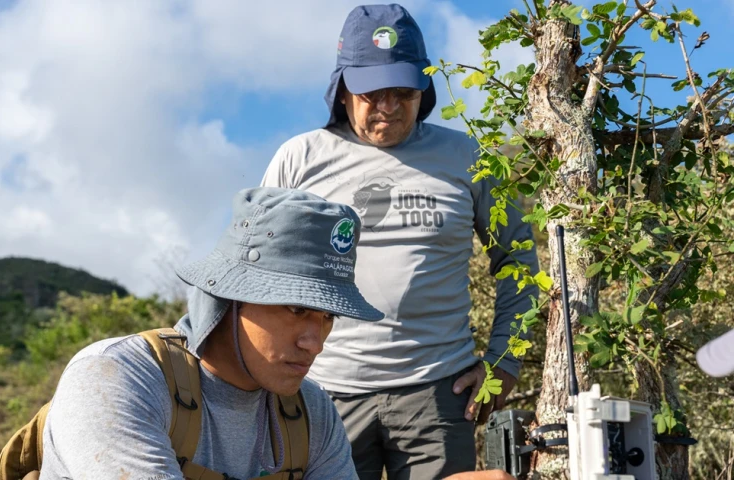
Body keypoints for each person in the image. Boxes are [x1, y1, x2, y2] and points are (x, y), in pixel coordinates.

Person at [261, 4, 540, 479]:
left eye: (403, 91)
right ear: (343, 87)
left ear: (424, 86)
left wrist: (503, 361)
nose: (389, 106)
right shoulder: (299, 160)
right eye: (373, 92)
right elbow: (259, 273)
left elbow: (519, 260)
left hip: (438, 395)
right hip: (323, 394)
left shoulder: (467, 156)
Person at [37, 187, 385, 479]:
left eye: (328, 316)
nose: (315, 342)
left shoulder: (311, 412)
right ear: (232, 296)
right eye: (296, 309)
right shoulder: (118, 377)